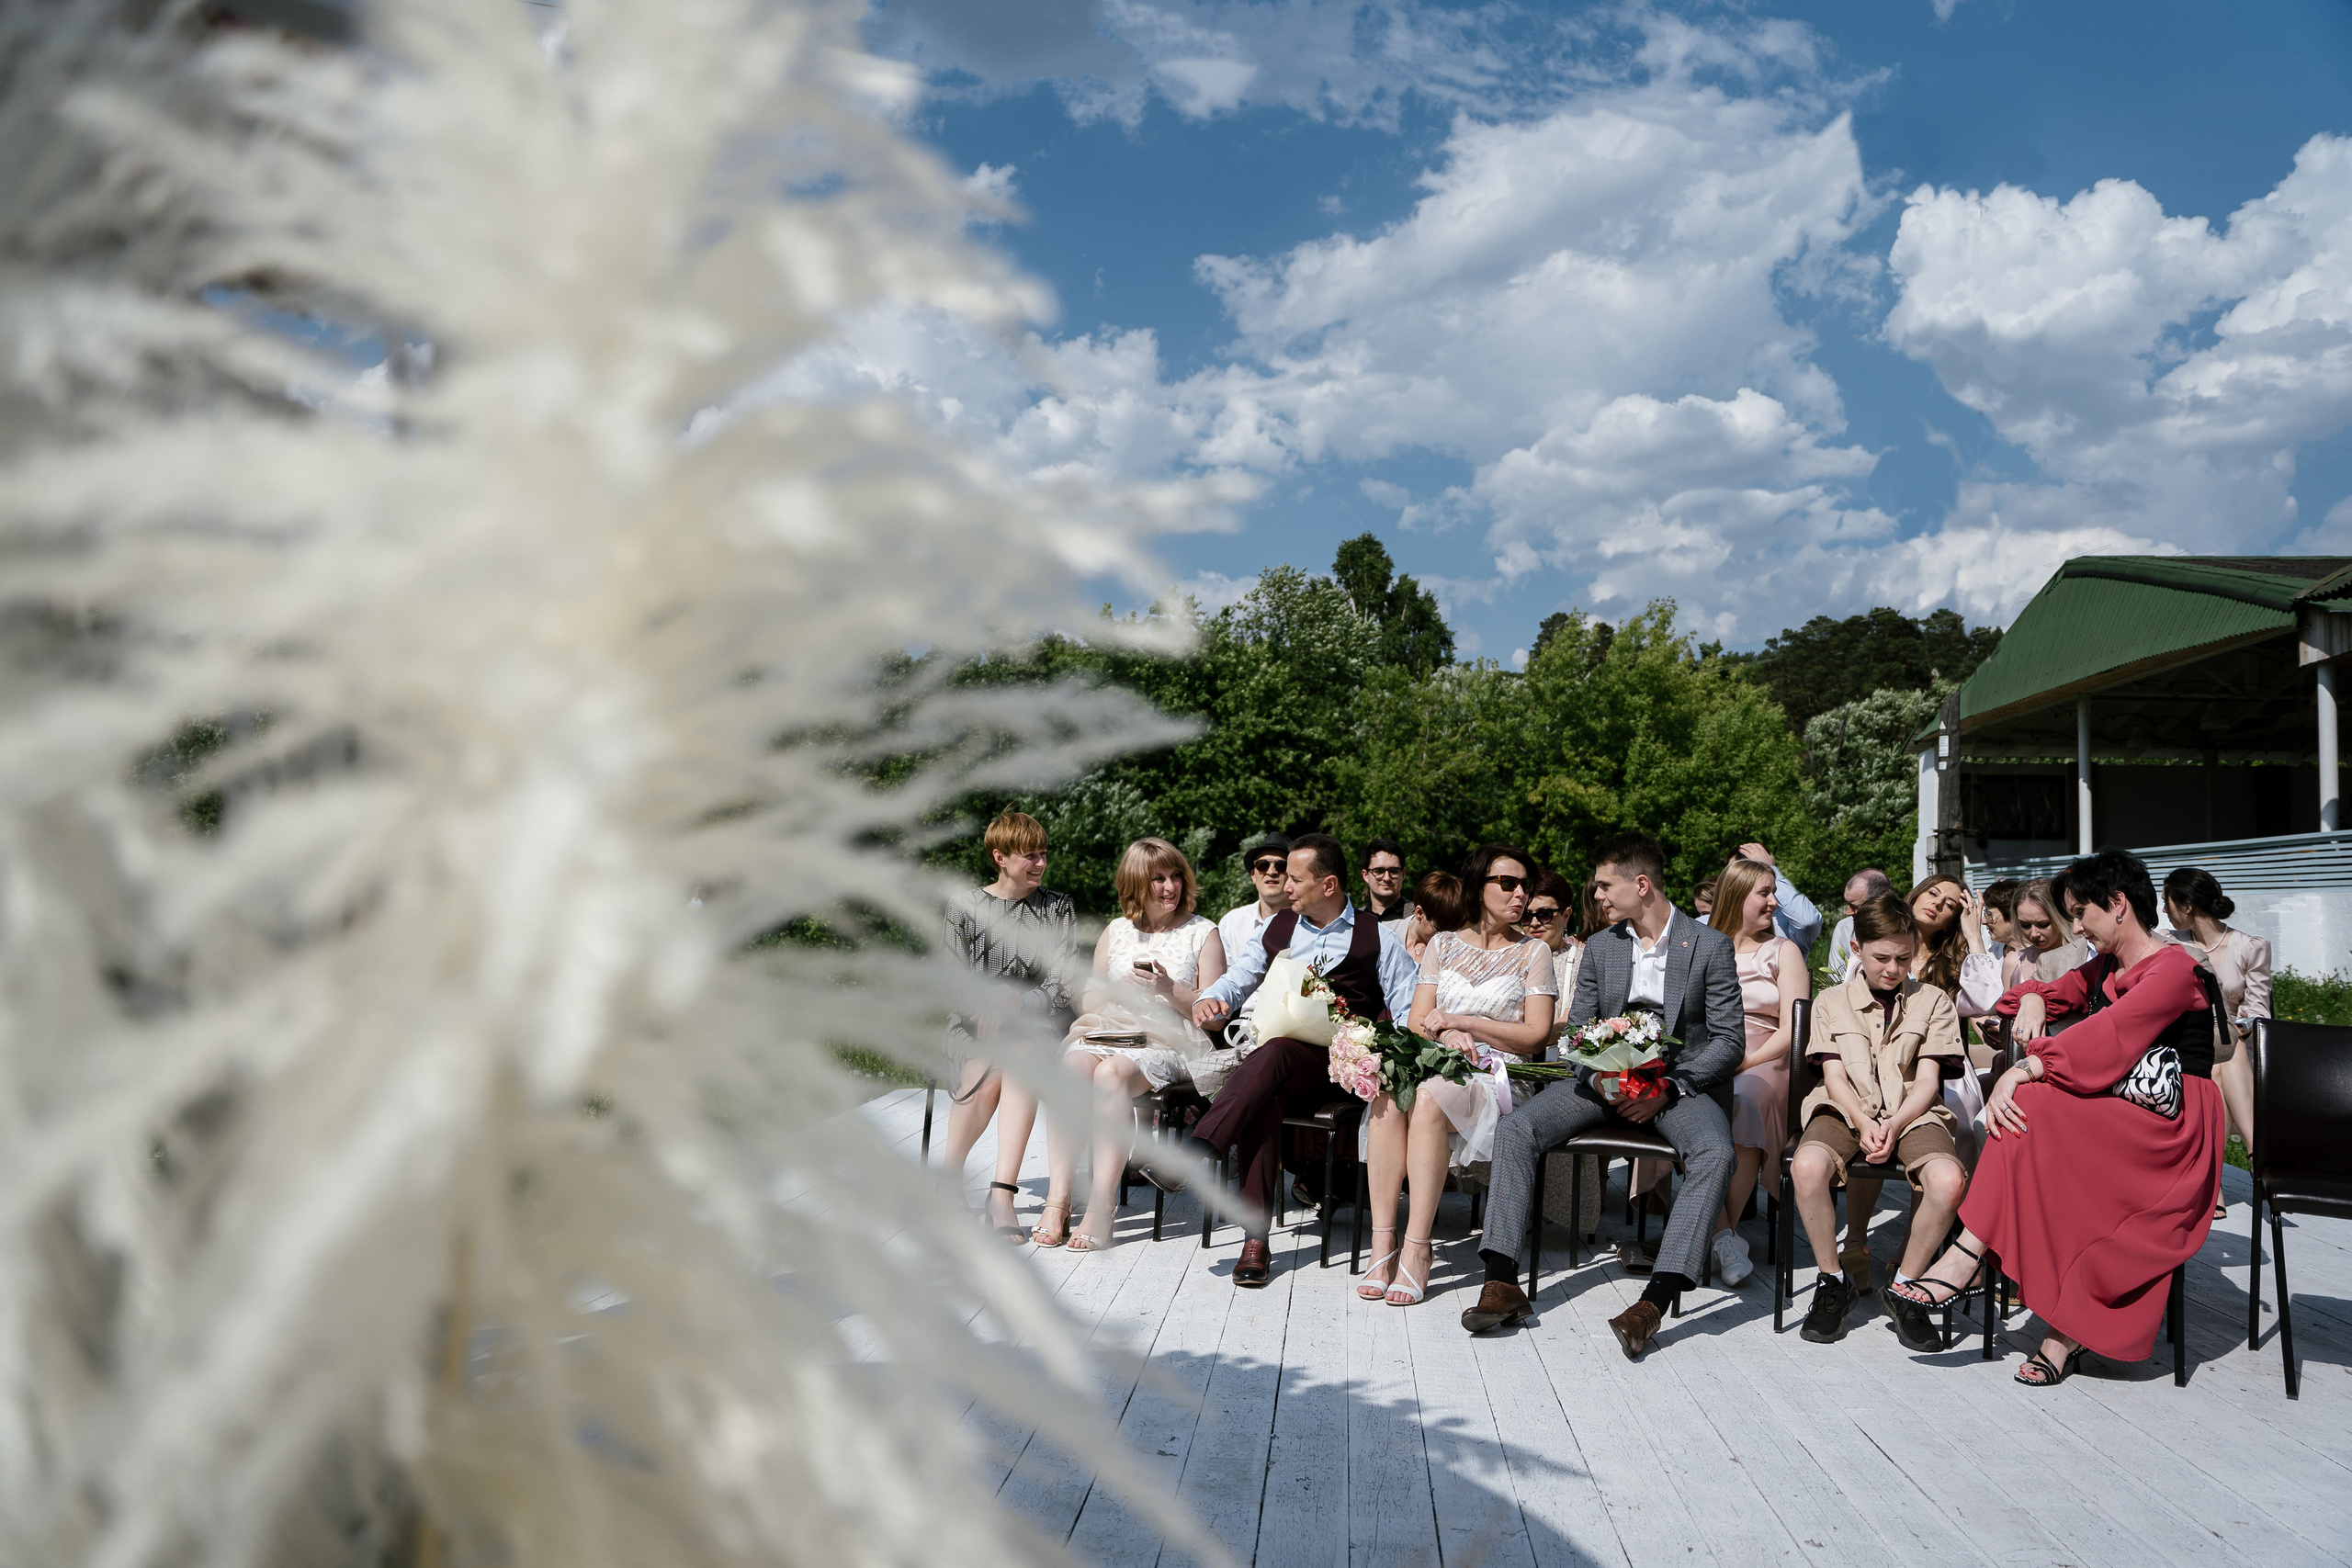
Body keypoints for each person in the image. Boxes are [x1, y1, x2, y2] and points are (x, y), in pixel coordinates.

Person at [1891, 849, 2226, 1386]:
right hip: (2121, 1109)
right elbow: (2032, 995)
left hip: (2172, 1125)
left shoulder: (2173, 968)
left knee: (2029, 1101)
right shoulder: (2107, 965)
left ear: (2118, 904)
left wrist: (2025, 1069)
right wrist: (2033, 999)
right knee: (2030, 1114)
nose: (2077, 928)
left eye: (2081, 913)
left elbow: (2110, 1036)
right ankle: (1981, 1266)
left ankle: (1972, 1258)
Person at [1462, 832, 1745, 1360]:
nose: (1596, 896)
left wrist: (1666, 1087)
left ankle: (1653, 1302)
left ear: (1642, 885)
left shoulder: (1709, 946)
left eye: (1604, 886)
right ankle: (1501, 1282)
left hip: (1677, 1086)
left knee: (1715, 1153)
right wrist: (1600, 1080)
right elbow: (1577, 1034)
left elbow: (1729, 1041)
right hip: (1601, 1083)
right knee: (1518, 1129)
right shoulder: (1602, 947)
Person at [1182, 834, 1420, 1289]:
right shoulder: (1279, 926)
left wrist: (1379, 1054)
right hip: (1281, 1066)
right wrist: (1212, 998)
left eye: (1295, 878)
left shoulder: (1376, 936)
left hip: (1343, 1071)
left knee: (1271, 1057)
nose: (1284, 886)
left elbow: (1407, 1010)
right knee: (1265, 1092)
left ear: (1328, 885)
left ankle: (1201, 1147)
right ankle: (1255, 1242)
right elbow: (1241, 974)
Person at [1360, 846, 1557, 1306]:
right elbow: (1418, 1021)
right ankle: (1382, 1241)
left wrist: (1465, 1022)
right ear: (1477, 886)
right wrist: (1446, 1034)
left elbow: (1535, 1034)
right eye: (1507, 883)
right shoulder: (1443, 945)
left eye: (1525, 885)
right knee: (1388, 1092)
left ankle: (1418, 1248)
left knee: (1429, 1097)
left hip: (1501, 1076)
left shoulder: (1535, 951)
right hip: (1440, 1062)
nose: (1520, 894)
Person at [1791, 894, 1970, 1348]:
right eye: (1882, 958)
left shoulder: (1933, 1001)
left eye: (1904, 958)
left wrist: (1894, 1122)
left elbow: (1927, 1081)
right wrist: (1860, 1118)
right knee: (1806, 1167)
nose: (1893, 969)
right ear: (1857, 949)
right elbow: (1834, 1077)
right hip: (1843, 1107)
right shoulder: (1831, 1001)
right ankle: (1833, 1282)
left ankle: (1906, 1287)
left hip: (1913, 1112)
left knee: (1948, 1181)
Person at [1040, 840, 1227, 1250]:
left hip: (1171, 1041)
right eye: (1158, 879)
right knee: (1072, 1068)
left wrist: (1169, 988)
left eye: (1175, 876)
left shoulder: (1203, 932)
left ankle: (1102, 1206)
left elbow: (1215, 1017)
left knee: (1111, 1074)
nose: (1170, 887)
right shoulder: (1116, 930)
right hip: (1109, 1030)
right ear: (1135, 884)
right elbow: (1089, 1002)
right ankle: (1058, 1200)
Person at [941, 810, 1077, 1241]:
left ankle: (1002, 1195)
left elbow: (1063, 985)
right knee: (987, 1070)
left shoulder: (1057, 907)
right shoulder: (963, 907)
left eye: (1043, 854)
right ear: (1000, 857)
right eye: (1029, 856)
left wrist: (1016, 1003)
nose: (1040, 863)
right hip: (972, 1027)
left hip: (1036, 1027)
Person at [1705, 857, 1812, 1289]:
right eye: (1764, 893)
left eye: (1774, 893)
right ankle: (1724, 1240)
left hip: (1769, 1057)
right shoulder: (1704, 945)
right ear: (1736, 895)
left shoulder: (1784, 951)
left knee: (1745, 1097)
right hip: (1711, 1051)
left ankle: (1719, 1233)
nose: (1773, 902)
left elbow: (1793, 1029)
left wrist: (1746, 1062)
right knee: (1682, 1102)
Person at [2163, 865, 2268, 1155]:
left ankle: (2215, 1167)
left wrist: (2238, 1026)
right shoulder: (2168, 942)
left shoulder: (2250, 947)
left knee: (2227, 1050)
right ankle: (2258, 1152)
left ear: (2187, 906)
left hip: (2238, 1044)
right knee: (2222, 1053)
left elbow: (2259, 1013)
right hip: (2187, 1038)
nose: (2164, 910)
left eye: (2166, 902)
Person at [1906, 874, 1999, 1158]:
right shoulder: (1879, 950)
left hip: (1946, 1075)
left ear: (1951, 921)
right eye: (1932, 893)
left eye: (1948, 905)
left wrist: (1973, 935)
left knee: (1955, 1148)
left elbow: (1987, 999)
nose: (1936, 903)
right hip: (1883, 1066)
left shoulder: (1951, 968)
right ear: (1917, 895)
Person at [1216, 833, 1293, 1036]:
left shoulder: (1309, 924)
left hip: (1291, 1030)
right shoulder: (1232, 923)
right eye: (1263, 865)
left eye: (1281, 866)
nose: (1271, 872)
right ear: (1253, 875)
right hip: (1240, 1029)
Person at [1734, 840, 1824, 954]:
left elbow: (1807, 921)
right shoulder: (1715, 924)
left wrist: (1770, 869)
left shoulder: (1783, 921)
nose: (1773, 902)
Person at [2004, 879, 2087, 989]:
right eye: (2025, 925)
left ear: (2059, 917)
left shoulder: (2083, 954)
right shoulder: (2013, 962)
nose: (2034, 934)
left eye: (2043, 924)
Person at [1825, 869, 1894, 986]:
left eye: (1854, 906)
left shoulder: (1906, 930)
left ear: (1878, 903)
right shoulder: (1845, 929)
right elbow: (1834, 982)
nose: (1847, 912)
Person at [1397, 871, 1464, 964]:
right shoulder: (1385, 934)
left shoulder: (1457, 952)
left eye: (1453, 931)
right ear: (1419, 913)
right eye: (1439, 931)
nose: (1445, 938)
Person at [1363, 837, 1413, 921]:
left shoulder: (1421, 917)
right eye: (1379, 871)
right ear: (1366, 875)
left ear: (1403, 874)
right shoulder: (1353, 920)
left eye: (1393, 871)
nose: (1387, 878)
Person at [1980, 878, 2022, 962]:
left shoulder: (2038, 955)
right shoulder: (1991, 952)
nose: (1983, 921)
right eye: (1985, 913)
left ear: (2013, 915)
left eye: (1989, 914)